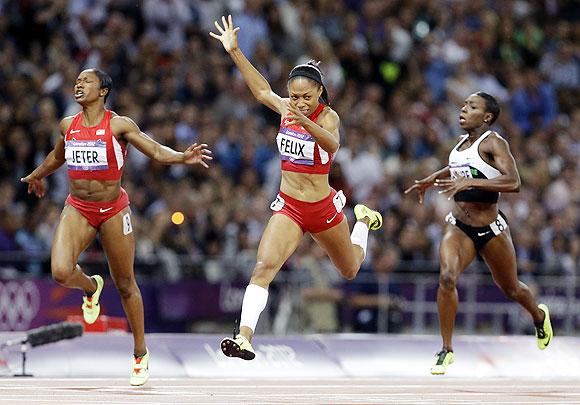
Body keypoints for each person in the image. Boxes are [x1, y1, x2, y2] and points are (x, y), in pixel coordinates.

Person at [20, 68, 212, 385]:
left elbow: (153, 149)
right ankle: (91, 287)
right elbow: (57, 157)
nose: (79, 84)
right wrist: (38, 175)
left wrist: (181, 157)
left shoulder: (119, 125)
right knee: (60, 271)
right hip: (78, 208)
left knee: (125, 285)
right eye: (77, 81)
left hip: (112, 210)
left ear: (104, 91)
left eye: (87, 81)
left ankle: (139, 353)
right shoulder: (68, 125)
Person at [210, 15, 382, 360]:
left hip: (322, 208)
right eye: (294, 96)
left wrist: (304, 120)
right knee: (263, 267)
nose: (299, 102)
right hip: (289, 206)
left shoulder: (327, 116)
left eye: (306, 96)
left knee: (349, 270)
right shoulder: (286, 107)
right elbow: (260, 91)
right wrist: (235, 52)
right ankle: (244, 336)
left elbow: (332, 145)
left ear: (320, 92)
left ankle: (362, 222)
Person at [405, 92, 553, 375]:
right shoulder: (461, 144)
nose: (463, 109)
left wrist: (469, 183)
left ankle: (538, 316)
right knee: (447, 277)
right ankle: (446, 350)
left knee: (511, 288)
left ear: (486, 117)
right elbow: (458, 166)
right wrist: (430, 179)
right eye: (463, 105)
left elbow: (514, 182)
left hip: (491, 229)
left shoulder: (495, 142)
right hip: (459, 227)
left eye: (471, 106)